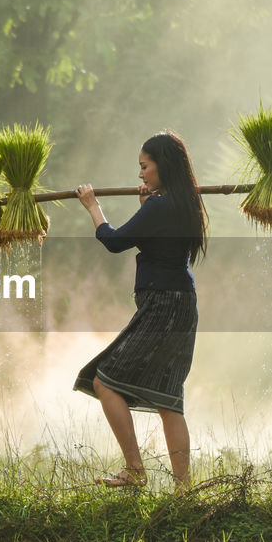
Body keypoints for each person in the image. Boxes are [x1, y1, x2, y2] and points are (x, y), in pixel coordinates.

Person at [73, 131, 207, 489]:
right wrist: (148, 204)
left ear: (163, 166)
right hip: (181, 304)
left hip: (162, 305)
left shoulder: (163, 206)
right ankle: (183, 490)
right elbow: (157, 234)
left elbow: (114, 241)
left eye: (144, 167)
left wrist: (92, 205)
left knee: (103, 380)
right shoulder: (184, 203)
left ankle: (134, 470)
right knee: (169, 397)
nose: (140, 175)